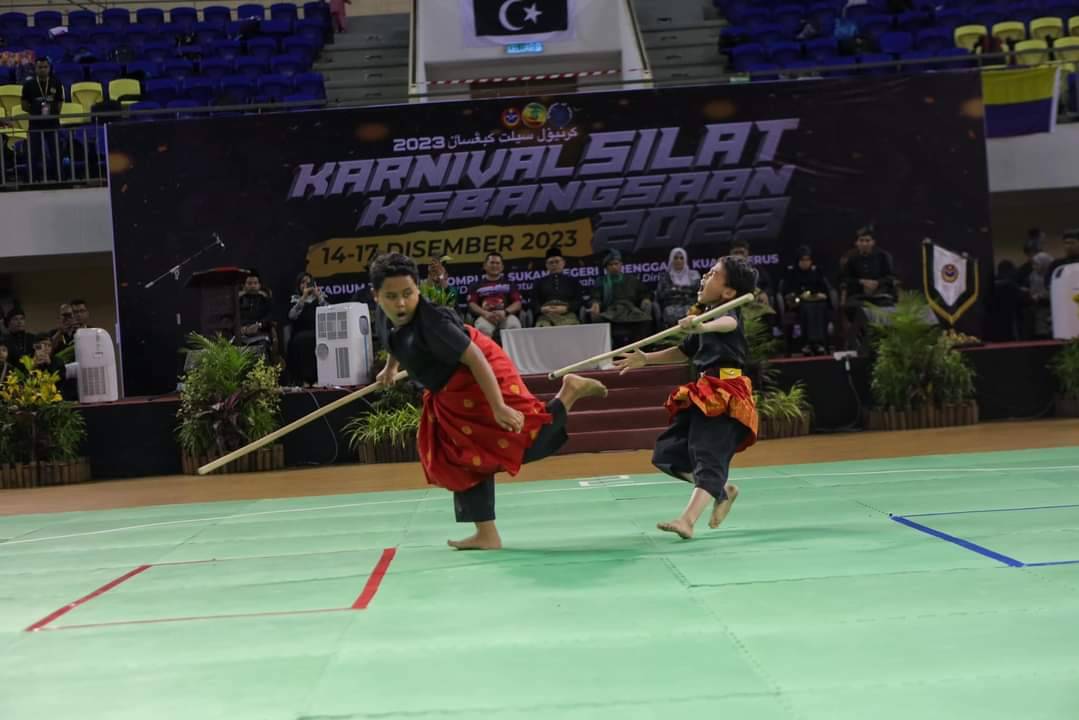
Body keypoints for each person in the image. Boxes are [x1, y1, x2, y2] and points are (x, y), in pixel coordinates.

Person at [372, 253, 608, 550]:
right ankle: (486, 533)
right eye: (391, 296)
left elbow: (475, 357)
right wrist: (390, 367)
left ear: (418, 290)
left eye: (408, 294)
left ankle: (569, 392)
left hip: (478, 372)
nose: (401, 304)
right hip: (447, 390)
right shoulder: (384, 314)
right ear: (377, 296)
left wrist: (498, 406)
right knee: (460, 458)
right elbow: (395, 338)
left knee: (524, 439)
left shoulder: (434, 324)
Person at [614, 255, 759, 540]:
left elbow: (727, 324)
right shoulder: (708, 314)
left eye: (714, 274)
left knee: (708, 456)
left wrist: (702, 325)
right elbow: (683, 352)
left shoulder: (726, 314)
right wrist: (646, 359)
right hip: (704, 391)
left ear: (729, 292)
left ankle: (687, 521)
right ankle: (722, 491)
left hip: (726, 394)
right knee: (669, 453)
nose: (705, 276)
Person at [655, 247, 701, 327]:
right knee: (670, 313)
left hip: (690, 305)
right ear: (671, 260)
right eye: (675, 258)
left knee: (693, 312)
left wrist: (676, 290)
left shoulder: (694, 275)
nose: (679, 261)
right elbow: (661, 294)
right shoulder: (665, 276)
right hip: (671, 306)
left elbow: (698, 291)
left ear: (685, 260)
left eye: (681, 258)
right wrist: (685, 290)